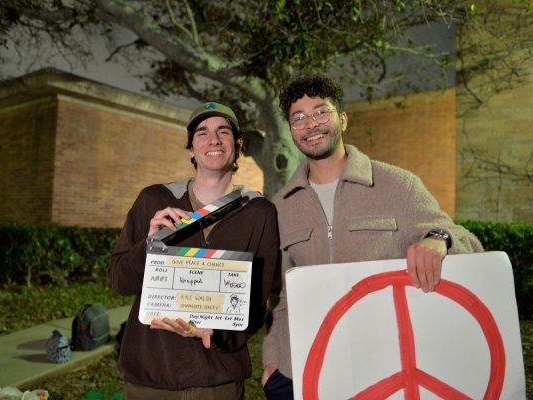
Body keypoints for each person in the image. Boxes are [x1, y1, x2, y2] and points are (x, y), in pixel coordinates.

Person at [260, 73, 483, 399]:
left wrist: (439, 238)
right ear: (292, 130)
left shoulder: (399, 185)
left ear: (343, 119)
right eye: (299, 118)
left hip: (385, 368)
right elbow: (280, 300)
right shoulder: (280, 206)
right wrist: (272, 362)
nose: (311, 123)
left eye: (321, 111)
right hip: (305, 370)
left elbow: (468, 242)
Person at [108, 102, 280, 399]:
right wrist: (149, 245)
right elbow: (119, 282)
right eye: (202, 133)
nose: (213, 140)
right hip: (149, 378)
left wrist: (217, 334)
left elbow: (257, 300)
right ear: (190, 148)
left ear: (238, 145)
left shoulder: (259, 211)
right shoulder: (154, 199)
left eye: (223, 131)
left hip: (217, 380)